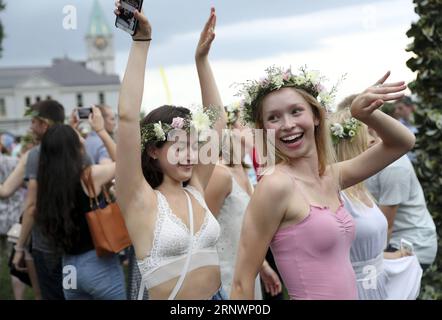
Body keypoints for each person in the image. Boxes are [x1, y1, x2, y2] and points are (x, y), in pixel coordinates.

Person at [230, 68, 414, 300]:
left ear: (316, 116)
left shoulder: (332, 176)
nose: (287, 124)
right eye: (273, 118)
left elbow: (402, 142)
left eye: (296, 111)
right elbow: (241, 283)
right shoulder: (275, 186)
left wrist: (364, 114)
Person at [114, 5, 227, 300]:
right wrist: (141, 43)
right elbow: (127, 118)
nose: (190, 155)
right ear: (153, 149)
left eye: (193, 145)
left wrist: (201, 60)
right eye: (179, 147)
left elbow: (217, 121)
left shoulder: (196, 187)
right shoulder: (139, 198)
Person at [329, 106, 422, 299]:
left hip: (374, 284)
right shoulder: (336, 195)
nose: (373, 139)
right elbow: (339, 255)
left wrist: (391, 257)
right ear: (349, 144)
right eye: (366, 134)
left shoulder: (360, 188)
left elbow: (364, 254)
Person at [33, 119, 126, 300]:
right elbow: (126, 165)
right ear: (73, 147)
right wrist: (101, 131)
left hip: (68, 267)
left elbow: (59, 145)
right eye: (78, 138)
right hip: (98, 263)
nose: (83, 140)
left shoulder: (46, 185)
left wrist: (65, 132)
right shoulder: (89, 176)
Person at [204, 104, 282, 299]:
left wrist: (262, 266)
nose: (250, 130)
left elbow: (244, 227)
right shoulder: (219, 174)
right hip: (224, 276)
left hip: (247, 271)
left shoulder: (243, 169)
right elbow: (202, 234)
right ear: (228, 132)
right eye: (243, 125)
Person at [364, 127, 437, 273]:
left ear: (370, 131)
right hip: (392, 239)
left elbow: (386, 225)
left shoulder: (393, 167)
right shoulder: (367, 159)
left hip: (412, 244)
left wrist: (372, 259)